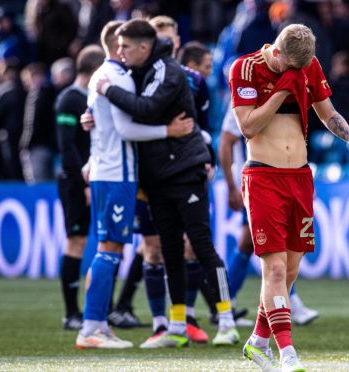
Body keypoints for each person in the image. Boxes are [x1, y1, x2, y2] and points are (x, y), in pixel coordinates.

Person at [230, 23, 349, 371]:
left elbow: (327, 113)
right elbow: (247, 127)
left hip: (301, 177)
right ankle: (287, 353)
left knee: (289, 272)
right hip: (263, 175)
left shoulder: (307, 65)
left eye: (300, 70)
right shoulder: (245, 68)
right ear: (275, 52)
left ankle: (258, 342)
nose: (295, 73)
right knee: (273, 268)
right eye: (289, 67)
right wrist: (281, 90)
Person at [96, 19, 238, 348]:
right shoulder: (140, 71)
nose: (119, 52)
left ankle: (227, 320)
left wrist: (107, 90)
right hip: (158, 176)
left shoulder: (168, 71)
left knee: (202, 246)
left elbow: (145, 110)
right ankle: (176, 326)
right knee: (170, 250)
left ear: (143, 47)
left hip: (185, 171)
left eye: (125, 46)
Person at [76, 20, 194, 349]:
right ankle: (91, 328)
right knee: (109, 250)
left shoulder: (104, 75)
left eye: (126, 45)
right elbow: (127, 130)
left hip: (106, 170)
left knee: (108, 250)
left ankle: (97, 323)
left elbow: (102, 124)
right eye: (121, 45)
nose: (122, 51)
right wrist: (167, 132)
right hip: (116, 174)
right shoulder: (116, 77)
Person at [219, 104, 319, 327]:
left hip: (285, 177)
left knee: (266, 246)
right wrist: (230, 185)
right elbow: (226, 141)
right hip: (258, 179)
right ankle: (226, 304)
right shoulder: (246, 96)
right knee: (263, 246)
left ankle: (228, 304)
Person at [56, 45, 105, 331]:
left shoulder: (89, 98)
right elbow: (67, 147)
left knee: (100, 244)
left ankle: (99, 309)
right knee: (75, 242)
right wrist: (82, 181)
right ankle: (71, 312)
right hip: (76, 182)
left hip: (94, 177)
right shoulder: (68, 100)